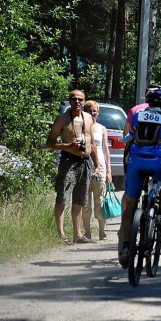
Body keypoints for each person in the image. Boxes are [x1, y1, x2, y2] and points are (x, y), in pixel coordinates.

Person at [119, 90, 161, 267]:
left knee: (130, 205)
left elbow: (130, 139)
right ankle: (159, 213)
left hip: (135, 162)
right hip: (158, 162)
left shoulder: (138, 117)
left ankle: (126, 247)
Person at [46, 90, 100, 244]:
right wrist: (68, 145)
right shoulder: (62, 119)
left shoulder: (89, 118)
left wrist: (96, 165)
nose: (77, 101)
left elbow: (92, 144)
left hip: (85, 161)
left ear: (84, 102)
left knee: (80, 199)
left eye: (80, 99)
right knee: (63, 197)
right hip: (68, 161)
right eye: (73, 99)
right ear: (69, 101)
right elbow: (49, 143)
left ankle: (77, 234)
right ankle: (61, 234)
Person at [82, 100, 112, 240]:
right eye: (89, 111)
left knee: (100, 200)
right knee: (85, 201)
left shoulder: (102, 128)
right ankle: (87, 233)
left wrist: (108, 171)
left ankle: (102, 232)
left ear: (98, 113)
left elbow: (106, 150)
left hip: (100, 164)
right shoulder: (81, 127)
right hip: (85, 164)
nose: (92, 113)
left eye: (94, 111)